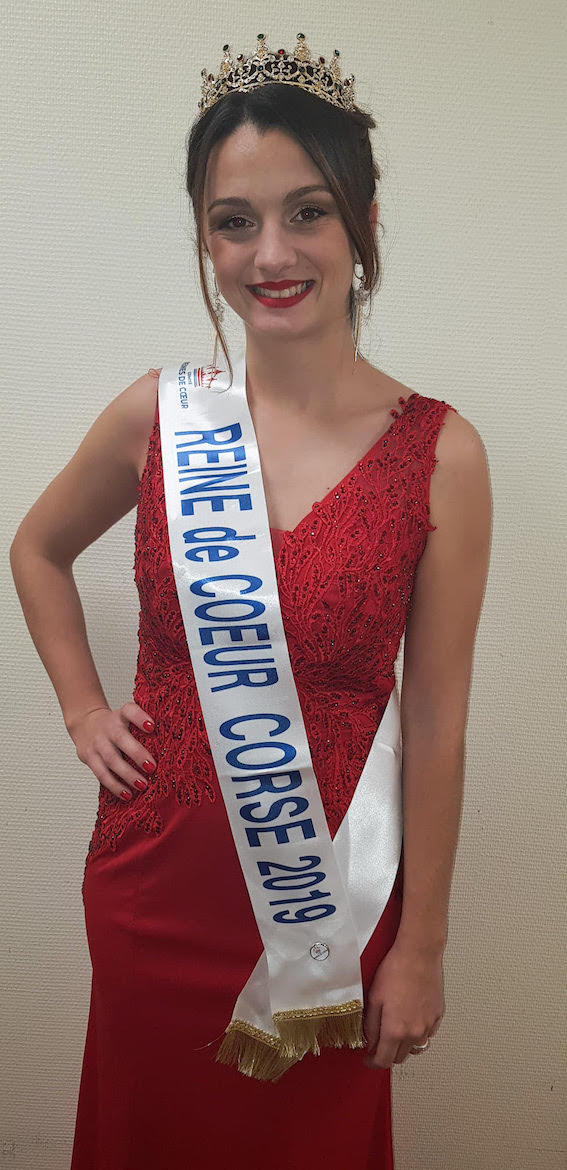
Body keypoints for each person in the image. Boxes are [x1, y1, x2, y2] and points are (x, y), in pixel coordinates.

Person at [9, 32, 492, 1170]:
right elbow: (35, 551)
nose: (270, 252)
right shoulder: (156, 418)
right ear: (204, 237)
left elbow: (436, 722)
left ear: (364, 222)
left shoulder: (442, 454)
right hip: (151, 884)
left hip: (327, 913)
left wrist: (420, 944)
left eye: (308, 212)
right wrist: (83, 708)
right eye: (235, 220)